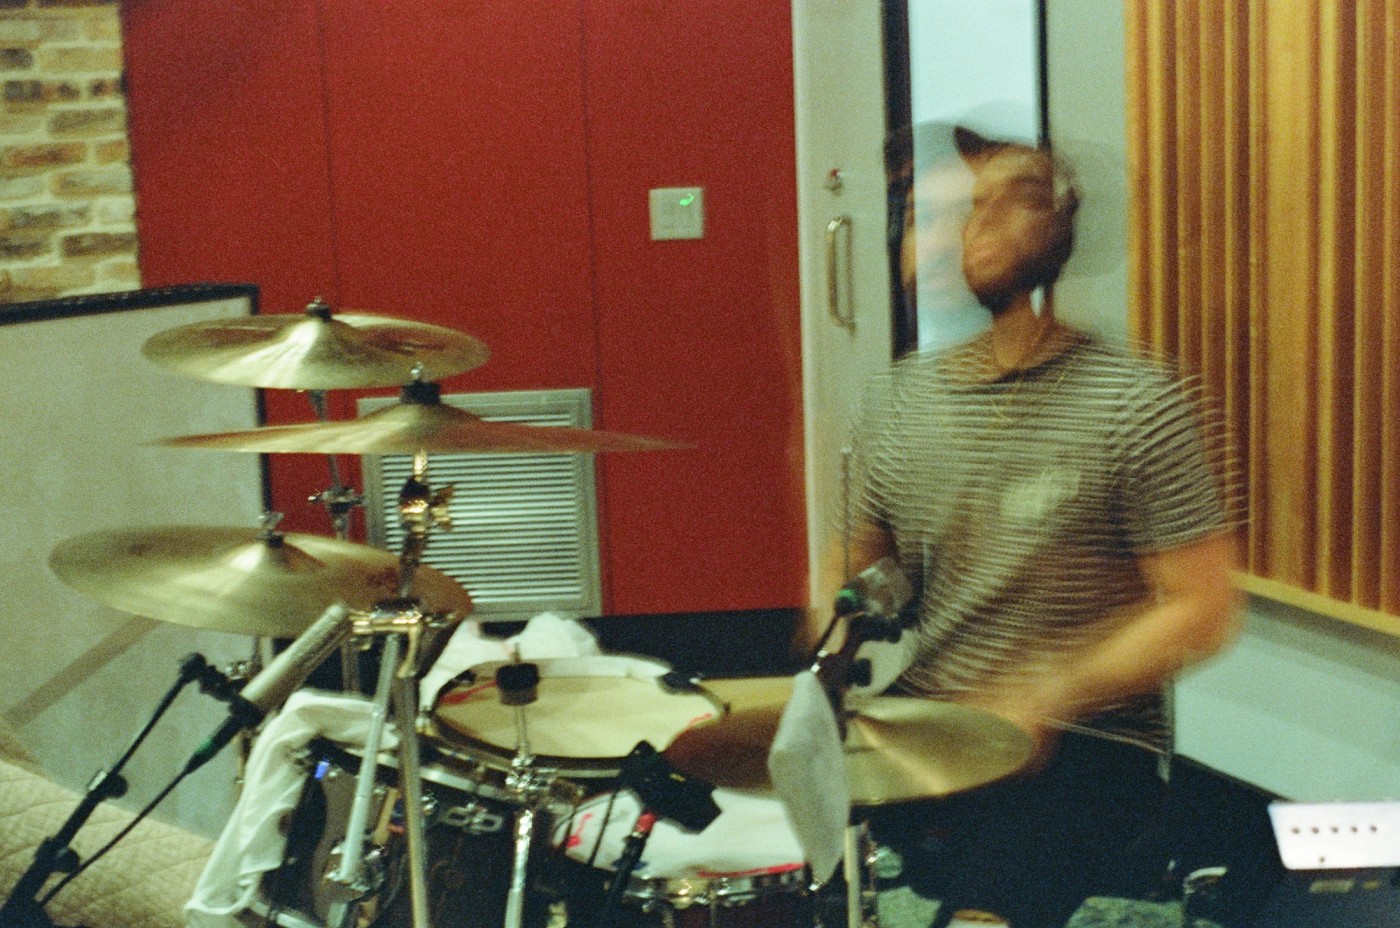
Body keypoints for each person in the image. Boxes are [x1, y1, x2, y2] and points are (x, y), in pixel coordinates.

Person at [834, 123, 1242, 927]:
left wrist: (1050, 687)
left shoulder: (1134, 402)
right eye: (932, 212)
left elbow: (1202, 608)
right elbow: (859, 572)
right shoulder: (896, 402)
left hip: (1082, 745)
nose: (961, 230)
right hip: (932, 718)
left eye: (996, 206)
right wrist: (831, 640)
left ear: (1054, 232)